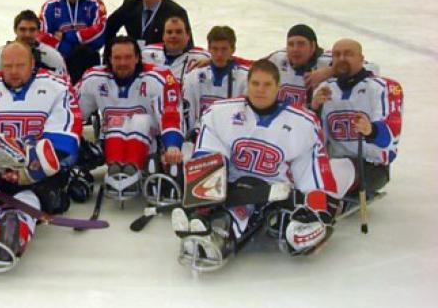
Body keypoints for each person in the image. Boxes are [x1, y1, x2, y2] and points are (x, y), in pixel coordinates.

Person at [169, 59, 344, 272]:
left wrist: (319, 211)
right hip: (230, 186)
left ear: (278, 86)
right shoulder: (220, 112)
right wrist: (205, 192)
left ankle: (214, 233)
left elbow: (313, 172)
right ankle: (203, 219)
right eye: (255, 84)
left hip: (272, 193)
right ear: (248, 84)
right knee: (220, 188)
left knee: (288, 231)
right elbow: (207, 155)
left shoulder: (303, 122)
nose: (260, 90)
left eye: (267, 84)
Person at [0, 42, 80, 262]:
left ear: (32, 63)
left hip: (40, 173)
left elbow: (63, 142)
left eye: (20, 65)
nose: (14, 71)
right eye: (8, 66)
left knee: (31, 197)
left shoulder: (57, 86)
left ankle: (16, 231)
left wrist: (27, 170)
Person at [75, 36, 183, 200]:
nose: (122, 63)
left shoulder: (159, 78)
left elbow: (171, 113)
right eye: (117, 58)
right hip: (109, 146)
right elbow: (72, 113)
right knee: (115, 122)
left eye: (128, 57)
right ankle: (116, 169)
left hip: (151, 148)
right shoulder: (93, 78)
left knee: (141, 120)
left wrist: (172, 145)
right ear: (109, 58)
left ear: (138, 58)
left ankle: (134, 168)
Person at [311, 38, 403, 204]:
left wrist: (371, 130)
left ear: (361, 59)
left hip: (371, 167)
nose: (342, 58)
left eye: (348, 54)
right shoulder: (324, 89)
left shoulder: (381, 87)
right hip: (336, 162)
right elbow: (312, 140)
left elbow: (390, 140)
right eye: (337, 54)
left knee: (331, 171)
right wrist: (314, 109)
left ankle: (317, 214)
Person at [37, 0, 107, 84]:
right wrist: (65, 48)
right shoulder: (50, 6)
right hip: (58, 59)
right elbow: (42, 35)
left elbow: (100, 35)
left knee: (85, 53)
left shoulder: (96, 4)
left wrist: (66, 36)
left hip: (87, 61)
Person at [182, 26, 249, 138]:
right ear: (208, 48)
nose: (219, 54)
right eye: (215, 49)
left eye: (224, 49)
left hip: (232, 136)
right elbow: (188, 114)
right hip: (199, 136)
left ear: (233, 49)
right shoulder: (193, 77)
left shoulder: (245, 78)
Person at [104, 0, 193, 49]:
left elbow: (188, 43)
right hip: (133, 60)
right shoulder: (130, 5)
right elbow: (109, 27)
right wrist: (111, 52)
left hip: (161, 61)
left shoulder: (175, 12)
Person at [0, 9, 67, 77]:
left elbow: (64, 83)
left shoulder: (53, 56)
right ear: (15, 30)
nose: (27, 34)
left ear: (38, 31)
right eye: (23, 29)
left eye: (32, 29)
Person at [142, 15, 210, 81]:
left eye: (178, 32)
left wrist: (211, 62)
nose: (173, 36)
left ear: (188, 35)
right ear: (163, 36)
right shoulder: (146, 53)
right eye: (169, 32)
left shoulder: (202, 56)